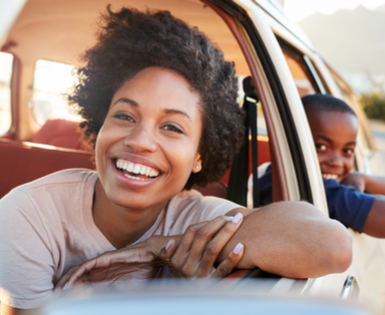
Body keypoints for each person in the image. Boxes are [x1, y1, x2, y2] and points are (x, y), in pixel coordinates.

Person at [0, 8, 352, 314]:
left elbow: (332, 246)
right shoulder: (29, 214)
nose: (139, 141)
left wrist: (155, 247)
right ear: (99, 122)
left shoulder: (196, 220)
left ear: (200, 155)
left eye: (171, 127)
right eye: (124, 115)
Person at [259, 93, 385, 238]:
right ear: (288, 142)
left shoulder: (268, 174)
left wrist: (360, 178)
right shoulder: (321, 193)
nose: (337, 162)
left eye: (347, 151)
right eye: (321, 146)